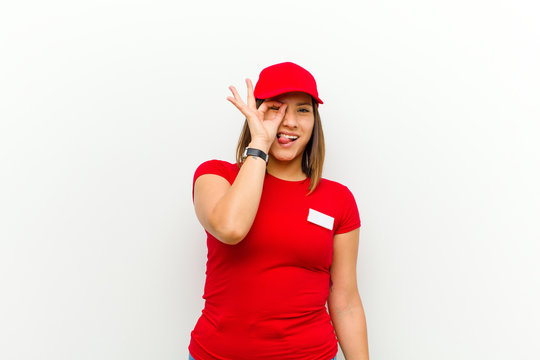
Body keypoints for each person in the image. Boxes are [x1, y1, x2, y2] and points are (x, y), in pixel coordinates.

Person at [189, 62, 369, 360]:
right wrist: (259, 142)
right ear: (255, 113)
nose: (289, 121)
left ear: (315, 121)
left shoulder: (338, 199)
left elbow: (346, 301)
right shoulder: (216, 176)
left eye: (302, 109)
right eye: (275, 108)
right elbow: (231, 228)